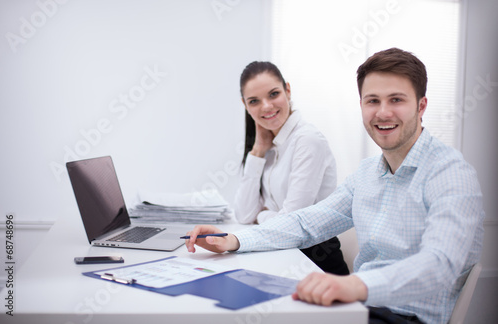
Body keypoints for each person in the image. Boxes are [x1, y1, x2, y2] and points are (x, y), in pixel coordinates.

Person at [185, 48, 485, 324]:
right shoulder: (367, 173)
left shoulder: (450, 173)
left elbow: (440, 264)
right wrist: (233, 240)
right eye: (372, 101)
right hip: (359, 308)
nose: (382, 113)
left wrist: (354, 284)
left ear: (421, 106)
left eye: (396, 99)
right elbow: (305, 223)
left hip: (406, 317)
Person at [234, 61, 349, 275]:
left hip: (316, 265)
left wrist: (262, 216)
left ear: (287, 90)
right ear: (245, 105)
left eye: (273, 94)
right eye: (254, 101)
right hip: (280, 256)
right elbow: (243, 214)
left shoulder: (307, 140)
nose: (266, 106)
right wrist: (258, 151)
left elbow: (291, 225)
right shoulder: (269, 143)